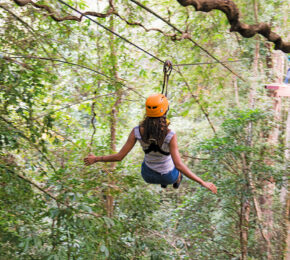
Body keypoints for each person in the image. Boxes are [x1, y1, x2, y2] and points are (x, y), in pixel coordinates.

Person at [84, 94, 217, 194]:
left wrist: (95, 159)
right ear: (165, 111)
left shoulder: (136, 131)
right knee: (176, 164)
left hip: (147, 175)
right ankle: (174, 180)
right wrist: (202, 182)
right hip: (169, 176)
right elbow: (179, 165)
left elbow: (119, 157)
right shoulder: (170, 135)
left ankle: (163, 181)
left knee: (149, 160)